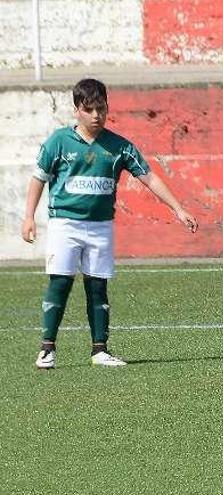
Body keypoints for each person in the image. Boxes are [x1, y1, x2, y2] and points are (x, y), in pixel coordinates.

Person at [23, 78, 198, 369]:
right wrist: (29, 217)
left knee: (97, 286)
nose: (96, 116)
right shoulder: (59, 141)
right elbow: (38, 178)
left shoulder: (119, 146)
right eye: (89, 109)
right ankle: (47, 349)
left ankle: (99, 350)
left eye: (101, 109)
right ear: (77, 109)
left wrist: (178, 208)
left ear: (107, 108)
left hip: (101, 226)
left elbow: (149, 177)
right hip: (65, 224)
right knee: (60, 282)